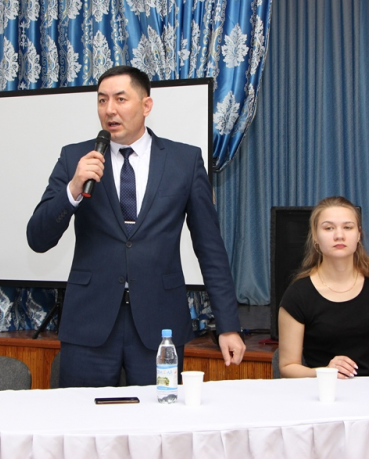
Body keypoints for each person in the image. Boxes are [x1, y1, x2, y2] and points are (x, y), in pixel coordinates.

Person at [27, 65, 246, 387]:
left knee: (159, 415)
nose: (109, 110)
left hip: (160, 324)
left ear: (146, 105)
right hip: (89, 323)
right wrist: (72, 189)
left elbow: (210, 248)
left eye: (120, 99)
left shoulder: (184, 161)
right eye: (102, 100)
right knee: (82, 416)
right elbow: (38, 238)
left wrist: (228, 325)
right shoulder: (75, 158)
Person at [277, 196, 369, 379]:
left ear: (359, 234)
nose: (339, 235)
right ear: (315, 236)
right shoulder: (298, 295)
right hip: (325, 390)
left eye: (348, 227)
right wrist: (325, 372)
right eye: (329, 228)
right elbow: (287, 367)